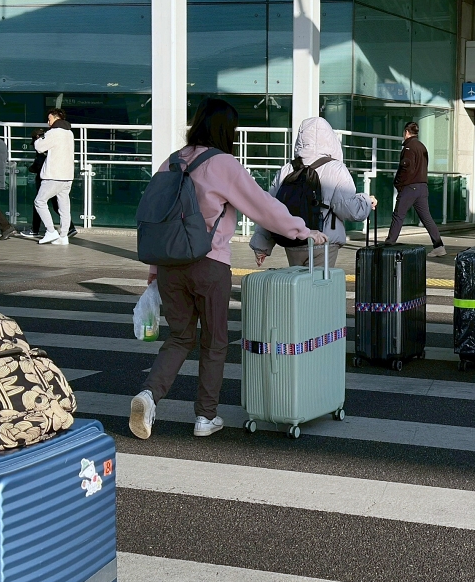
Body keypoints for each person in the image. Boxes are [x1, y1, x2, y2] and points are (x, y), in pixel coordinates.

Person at [129, 98, 328, 440]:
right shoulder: (222, 164)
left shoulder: (170, 162)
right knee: (215, 341)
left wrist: (153, 272)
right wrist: (302, 230)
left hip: (168, 266)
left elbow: (159, 219)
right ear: (227, 130)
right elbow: (263, 206)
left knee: (179, 337)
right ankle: (205, 417)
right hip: (209, 264)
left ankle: (149, 395)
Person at [250, 117, 377, 268]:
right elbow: (351, 210)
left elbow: (270, 208)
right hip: (323, 241)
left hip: (292, 242)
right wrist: (366, 201)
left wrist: (261, 245)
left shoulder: (287, 169)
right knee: (319, 288)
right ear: (330, 139)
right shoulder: (335, 168)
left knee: (298, 287)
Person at [385, 122, 446, 257]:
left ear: (406, 132)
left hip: (410, 187)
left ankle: (389, 244)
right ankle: (439, 246)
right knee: (426, 218)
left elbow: (405, 167)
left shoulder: (409, 148)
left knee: (398, 215)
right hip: (422, 187)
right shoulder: (422, 147)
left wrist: (398, 183)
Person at [20, 129, 78, 240]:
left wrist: (31, 168)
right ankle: (66, 232)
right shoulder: (63, 138)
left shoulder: (45, 142)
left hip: (48, 178)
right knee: (61, 205)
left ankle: (47, 231)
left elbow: (39, 159)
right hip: (63, 176)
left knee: (39, 202)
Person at [33, 108, 75, 245]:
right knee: (64, 207)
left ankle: (50, 231)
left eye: (49, 119)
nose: (48, 122)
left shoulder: (53, 132)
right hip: (67, 175)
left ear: (55, 118)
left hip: (54, 175)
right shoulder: (69, 133)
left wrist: (38, 138)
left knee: (39, 201)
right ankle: (63, 236)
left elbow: (39, 147)